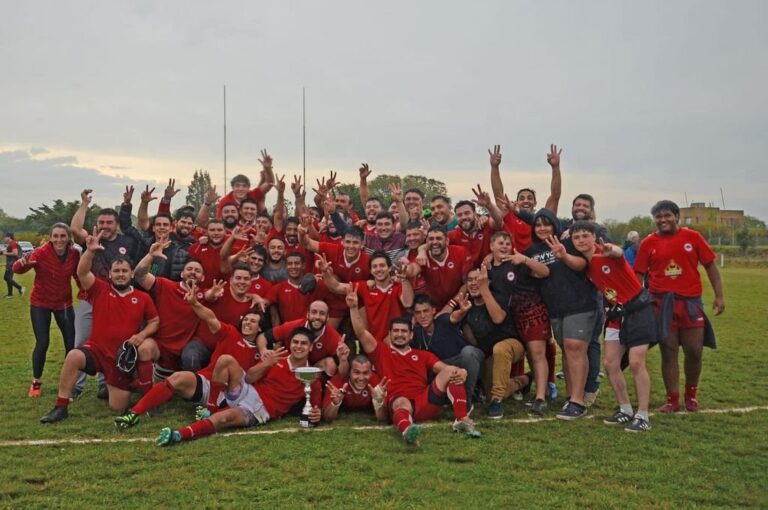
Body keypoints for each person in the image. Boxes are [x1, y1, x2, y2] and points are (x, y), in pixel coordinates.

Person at [40, 228, 160, 423]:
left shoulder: (142, 297)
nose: (120, 275)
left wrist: (142, 335)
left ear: (131, 275)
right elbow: (82, 272)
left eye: (124, 271)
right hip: (96, 351)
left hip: (120, 357)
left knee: (117, 407)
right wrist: (90, 251)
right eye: (116, 271)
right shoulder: (99, 289)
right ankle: (61, 407)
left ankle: (133, 385)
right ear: (110, 275)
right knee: (73, 356)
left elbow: (155, 322)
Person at [114, 286, 264, 430]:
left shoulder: (262, 352)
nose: (247, 323)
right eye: (245, 319)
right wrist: (195, 303)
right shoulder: (231, 333)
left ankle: (210, 410)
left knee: (225, 360)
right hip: (209, 384)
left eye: (252, 321)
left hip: (231, 395)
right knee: (178, 377)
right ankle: (133, 414)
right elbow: (210, 318)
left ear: (260, 328)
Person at [346, 287, 480, 445]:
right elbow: (361, 333)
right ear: (389, 335)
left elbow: (443, 369)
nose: (400, 334)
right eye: (395, 331)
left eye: (404, 331)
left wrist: (461, 371)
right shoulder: (381, 352)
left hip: (425, 401)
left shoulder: (422, 355)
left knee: (450, 371)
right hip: (399, 403)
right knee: (401, 402)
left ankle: (462, 419)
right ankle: (408, 430)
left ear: (411, 335)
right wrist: (354, 308)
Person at [155, 327, 322, 446]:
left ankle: (179, 435)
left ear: (311, 347)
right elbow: (249, 377)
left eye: (303, 343)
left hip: (259, 408)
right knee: (225, 359)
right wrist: (266, 364)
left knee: (224, 419)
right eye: (295, 342)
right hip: (248, 390)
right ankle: (212, 407)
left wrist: (316, 413)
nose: (298, 346)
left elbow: (316, 409)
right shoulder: (277, 357)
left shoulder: (311, 375)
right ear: (290, 343)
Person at [634, 200, 725, 413]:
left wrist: (719, 296)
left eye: (667, 215)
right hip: (661, 303)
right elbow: (638, 274)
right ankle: (672, 399)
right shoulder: (648, 243)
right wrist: (637, 301)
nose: (663, 220)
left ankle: (691, 395)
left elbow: (711, 266)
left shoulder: (693, 237)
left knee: (694, 351)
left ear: (677, 216)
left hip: (690, 302)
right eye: (658, 217)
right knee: (669, 351)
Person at [568, 221, 656, 432]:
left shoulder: (606, 254)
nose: (581, 240)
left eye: (585, 236)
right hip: (616, 314)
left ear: (594, 237)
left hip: (638, 310)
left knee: (636, 362)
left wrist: (612, 249)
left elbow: (617, 253)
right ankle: (625, 409)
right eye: (576, 237)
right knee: (610, 364)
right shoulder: (586, 266)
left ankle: (643, 415)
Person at [70, 189, 141, 399]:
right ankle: (77, 386)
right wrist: (84, 204)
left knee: (110, 342)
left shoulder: (126, 242)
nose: (104, 226)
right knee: (82, 341)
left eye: (109, 222)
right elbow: (75, 229)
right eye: (101, 222)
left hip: (115, 301)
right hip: (89, 298)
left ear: (116, 224)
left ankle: (105, 383)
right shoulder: (91, 239)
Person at [13, 223, 80, 397]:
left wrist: (86, 292)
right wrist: (22, 263)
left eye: (62, 236)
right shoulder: (41, 252)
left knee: (71, 344)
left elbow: (77, 276)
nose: (59, 239)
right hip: (40, 303)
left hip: (64, 304)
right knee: (42, 343)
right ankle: (36, 382)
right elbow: (18, 269)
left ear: (68, 238)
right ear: (50, 237)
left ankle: (68, 382)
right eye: (55, 236)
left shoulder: (74, 254)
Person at [456, 267, 532, 419]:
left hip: (512, 344)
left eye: (478, 279)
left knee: (500, 348)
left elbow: (498, 318)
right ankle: (525, 380)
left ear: (487, 281)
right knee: (492, 391)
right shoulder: (467, 305)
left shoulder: (498, 296)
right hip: (489, 352)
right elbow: (472, 340)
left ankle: (497, 402)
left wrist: (485, 291)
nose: (473, 283)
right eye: (470, 280)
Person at [133, 242, 206, 378]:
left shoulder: (205, 296)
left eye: (197, 271)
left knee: (191, 356)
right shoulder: (166, 285)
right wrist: (150, 256)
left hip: (185, 348)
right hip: (161, 345)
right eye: (189, 269)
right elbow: (139, 276)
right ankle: (148, 386)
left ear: (203, 277)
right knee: (144, 349)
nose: (193, 272)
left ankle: (188, 383)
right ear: (182, 273)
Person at [411, 294, 485, 402]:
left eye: (426, 311)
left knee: (468, 352)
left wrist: (462, 311)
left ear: (433, 311)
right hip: (444, 370)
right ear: (414, 316)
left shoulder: (442, 320)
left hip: (466, 362)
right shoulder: (416, 333)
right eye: (418, 312)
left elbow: (454, 317)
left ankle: (466, 400)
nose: (423, 316)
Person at [322, 353, 389, 422]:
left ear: (371, 373)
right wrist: (335, 404)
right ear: (349, 372)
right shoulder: (338, 381)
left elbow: (383, 418)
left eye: (365, 373)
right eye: (357, 372)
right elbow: (327, 417)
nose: (361, 378)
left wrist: (378, 402)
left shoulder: (375, 382)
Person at [3, 231, 24, 298]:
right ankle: (10, 294)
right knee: (8, 278)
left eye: (5, 237)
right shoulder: (11, 244)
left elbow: (15, 253)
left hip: (11, 264)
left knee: (6, 277)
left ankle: (20, 288)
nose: (4, 238)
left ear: (9, 237)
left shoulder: (12, 243)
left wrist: (6, 253)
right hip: (11, 263)